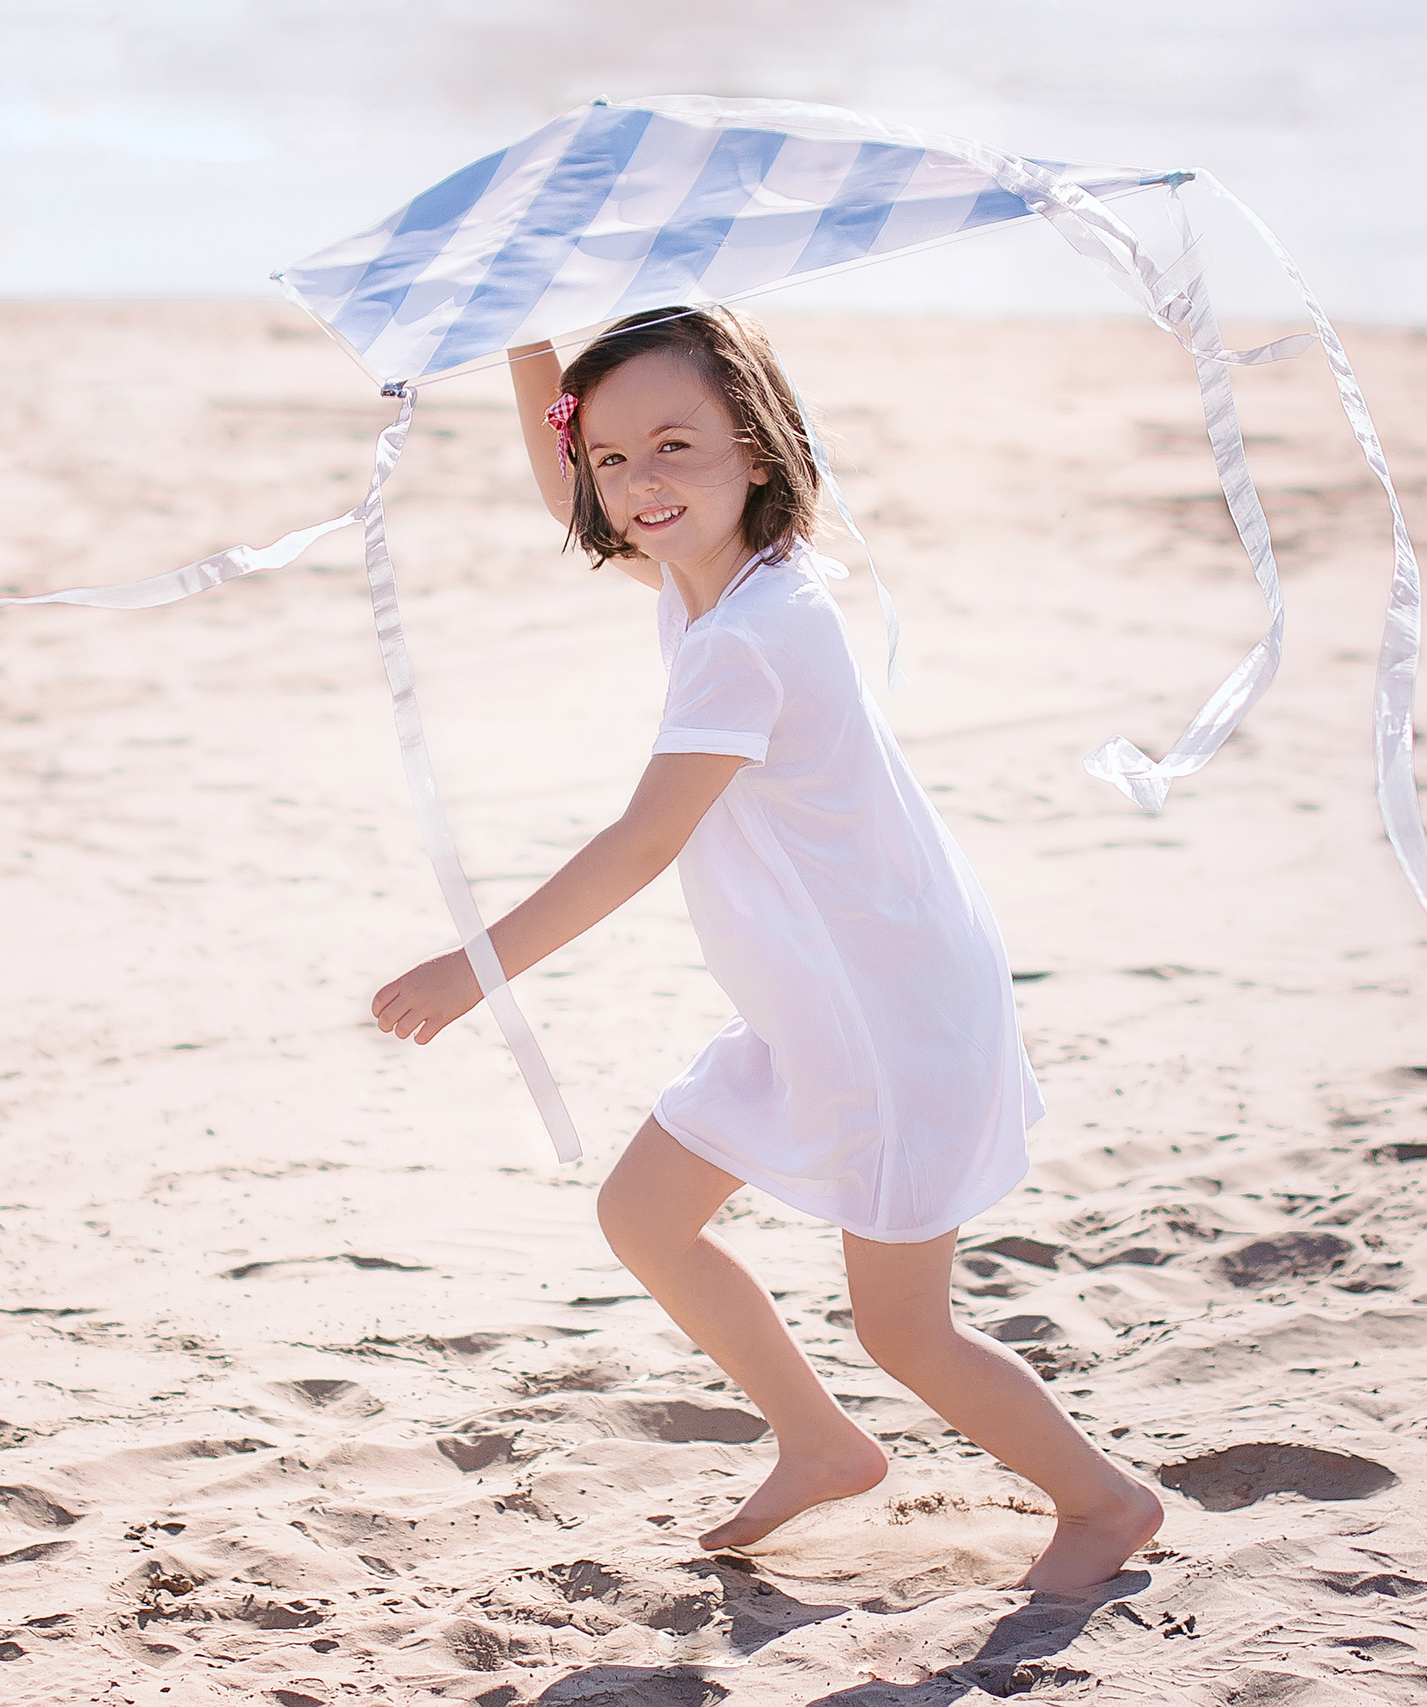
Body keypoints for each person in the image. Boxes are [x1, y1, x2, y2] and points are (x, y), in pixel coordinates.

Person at [370, 305, 1161, 1592]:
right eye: (613, 458)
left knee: (906, 1329)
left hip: (888, 1018)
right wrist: (528, 354)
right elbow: (565, 486)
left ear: (757, 443)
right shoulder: (719, 586)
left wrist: (473, 968)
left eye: (674, 445)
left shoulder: (745, 639)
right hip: (818, 1001)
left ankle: (1101, 1499)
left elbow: (643, 842)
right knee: (645, 1217)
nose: (639, 482)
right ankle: (816, 1439)